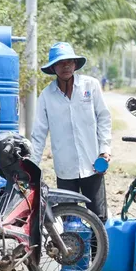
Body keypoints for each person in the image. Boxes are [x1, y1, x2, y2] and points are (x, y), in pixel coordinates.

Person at [31, 42, 112, 223]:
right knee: (68, 220)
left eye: (69, 62)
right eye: (60, 63)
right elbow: (38, 134)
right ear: (53, 67)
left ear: (75, 64)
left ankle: (97, 251)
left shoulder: (90, 86)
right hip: (65, 169)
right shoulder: (46, 96)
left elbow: (104, 118)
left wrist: (105, 150)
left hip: (93, 165)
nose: (65, 66)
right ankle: (73, 252)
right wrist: (32, 167)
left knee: (99, 218)